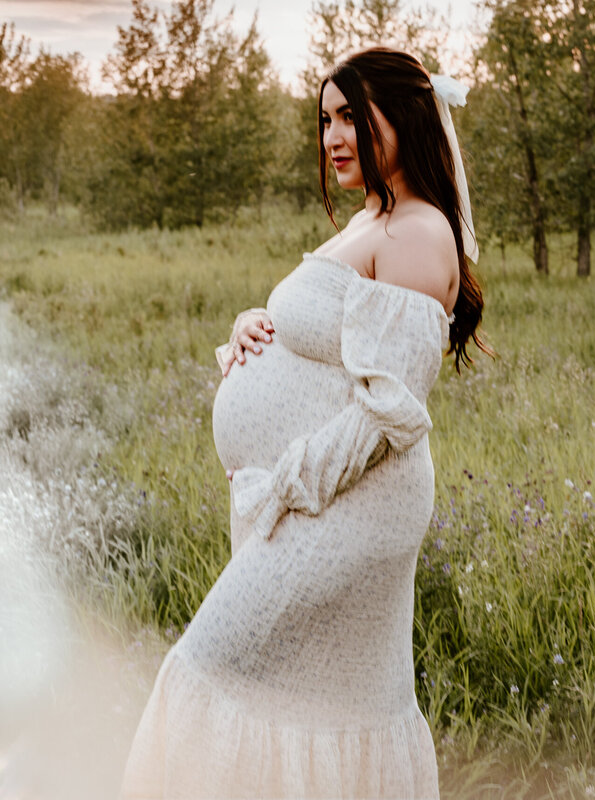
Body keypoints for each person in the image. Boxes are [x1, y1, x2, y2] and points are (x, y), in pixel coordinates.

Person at [120, 47, 487, 799]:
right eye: (326, 120)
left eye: (352, 116)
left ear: (406, 116)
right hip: (318, 504)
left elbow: (390, 412)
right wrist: (257, 324)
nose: (333, 137)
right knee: (312, 701)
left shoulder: (417, 232)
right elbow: (327, 337)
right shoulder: (371, 219)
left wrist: (285, 485)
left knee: (210, 666)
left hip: (351, 506)